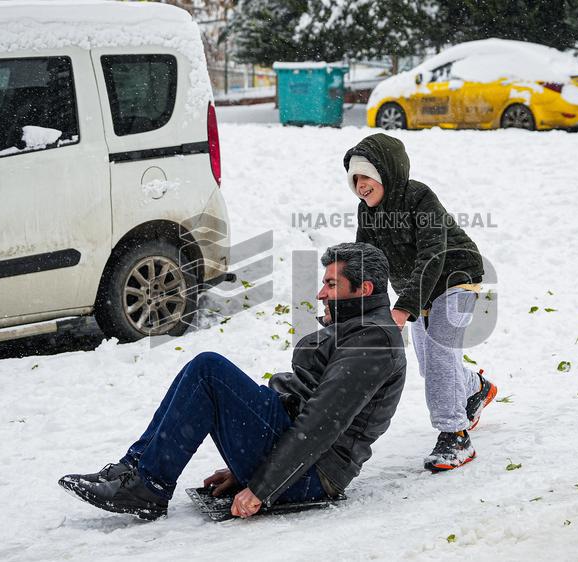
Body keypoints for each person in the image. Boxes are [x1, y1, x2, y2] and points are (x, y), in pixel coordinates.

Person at [59, 242, 406, 520]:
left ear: (364, 289)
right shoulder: (359, 329)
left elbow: (321, 424)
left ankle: (147, 485)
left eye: (331, 285)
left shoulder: (373, 340)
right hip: (291, 447)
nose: (320, 294)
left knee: (209, 371)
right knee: (203, 371)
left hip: (312, 475)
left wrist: (262, 487)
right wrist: (246, 469)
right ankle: (132, 471)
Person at [344, 132, 497, 472]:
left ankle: (455, 436)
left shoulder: (420, 197)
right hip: (420, 290)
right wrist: (348, 300)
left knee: (442, 352)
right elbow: (367, 260)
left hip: (456, 277)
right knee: (432, 368)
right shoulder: (366, 212)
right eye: (355, 179)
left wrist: (402, 308)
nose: (360, 185)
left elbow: (433, 255)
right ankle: (476, 387)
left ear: (386, 172)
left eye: (366, 176)